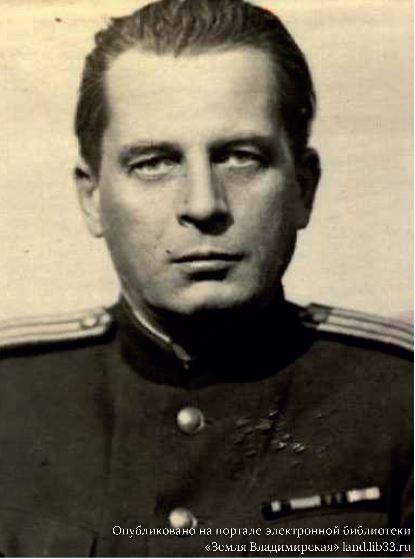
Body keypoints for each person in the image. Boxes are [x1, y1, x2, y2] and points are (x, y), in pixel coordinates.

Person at [0, 0, 412, 556]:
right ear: (92, 197)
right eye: (154, 163)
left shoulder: (399, 398)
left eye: (240, 157)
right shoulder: (12, 396)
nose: (202, 204)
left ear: (304, 187)